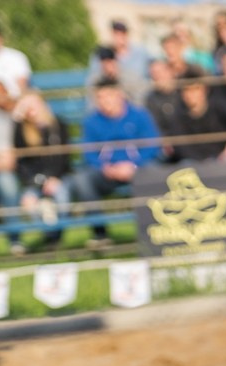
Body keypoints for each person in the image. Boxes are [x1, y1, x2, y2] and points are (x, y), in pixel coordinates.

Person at [68, 77, 162, 248]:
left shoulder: (139, 116)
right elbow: (88, 153)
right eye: (100, 98)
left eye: (107, 96)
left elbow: (152, 145)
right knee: (81, 181)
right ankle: (100, 234)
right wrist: (105, 168)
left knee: (155, 173)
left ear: (119, 95)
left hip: (137, 169)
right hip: (106, 172)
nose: (104, 102)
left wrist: (134, 165)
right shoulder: (91, 122)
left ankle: (154, 231)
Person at [11, 92, 71, 254]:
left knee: (62, 195)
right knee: (28, 202)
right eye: (27, 107)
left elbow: (63, 159)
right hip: (34, 181)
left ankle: (56, 237)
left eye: (34, 104)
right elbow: (22, 163)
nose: (31, 110)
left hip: (58, 178)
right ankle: (50, 237)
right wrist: (17, 120)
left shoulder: (57, 126)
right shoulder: (22, 131)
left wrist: (53, 179)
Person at [170, 67, 226, 163]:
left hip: (223, 158)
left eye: (196, 89)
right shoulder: (178, 116)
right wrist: (203, 162)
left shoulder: (218, 104)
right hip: (195, 163)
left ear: (204, 89)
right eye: (187, 90)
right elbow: (181, 147)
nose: (191, 95)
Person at [0, 23, 31, 209]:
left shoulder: (15, 57)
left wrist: (8, 103)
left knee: (8, 185)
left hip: (14, 114)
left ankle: (14, 236)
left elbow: (22, 91)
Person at [86, 20, 151, 105]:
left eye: (122, 33)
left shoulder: (140, 52)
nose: (119, 37)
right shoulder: (101, 56)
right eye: (116, 34)